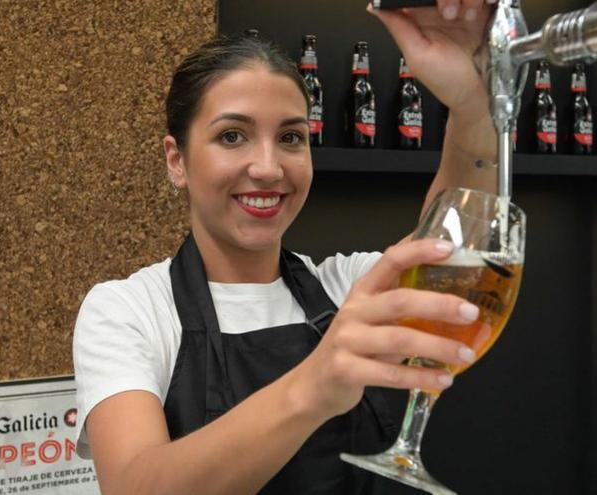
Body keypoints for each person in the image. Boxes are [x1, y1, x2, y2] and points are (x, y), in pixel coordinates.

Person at [73, 1, 501, 494]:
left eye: (291, 137)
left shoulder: (351, 288)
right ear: (177, 161)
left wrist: (471, 103)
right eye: (232, 136)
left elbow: (461, 249)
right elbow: (133, 486)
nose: (269, 167)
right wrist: (314, 387)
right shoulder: (129, 311)